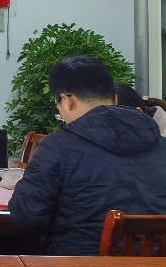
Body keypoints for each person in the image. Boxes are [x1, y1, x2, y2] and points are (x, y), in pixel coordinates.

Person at [9, 57, 166, 256]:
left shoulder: (57, 147)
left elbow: (26, 218)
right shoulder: (161, 146)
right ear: (115, 99)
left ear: (67, 100)